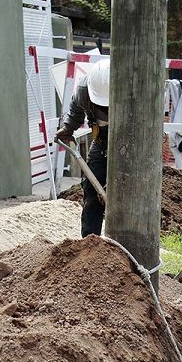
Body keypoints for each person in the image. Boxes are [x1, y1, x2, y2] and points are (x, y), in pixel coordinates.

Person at [55, 57, 110, 237]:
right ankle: (90, 242)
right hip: (101, 141)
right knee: (91, 191)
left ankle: (126, 241)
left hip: (132, 146)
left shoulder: (131, 91)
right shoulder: (85, 90)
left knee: (124, 192)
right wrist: (68, 127)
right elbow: (76, 108)